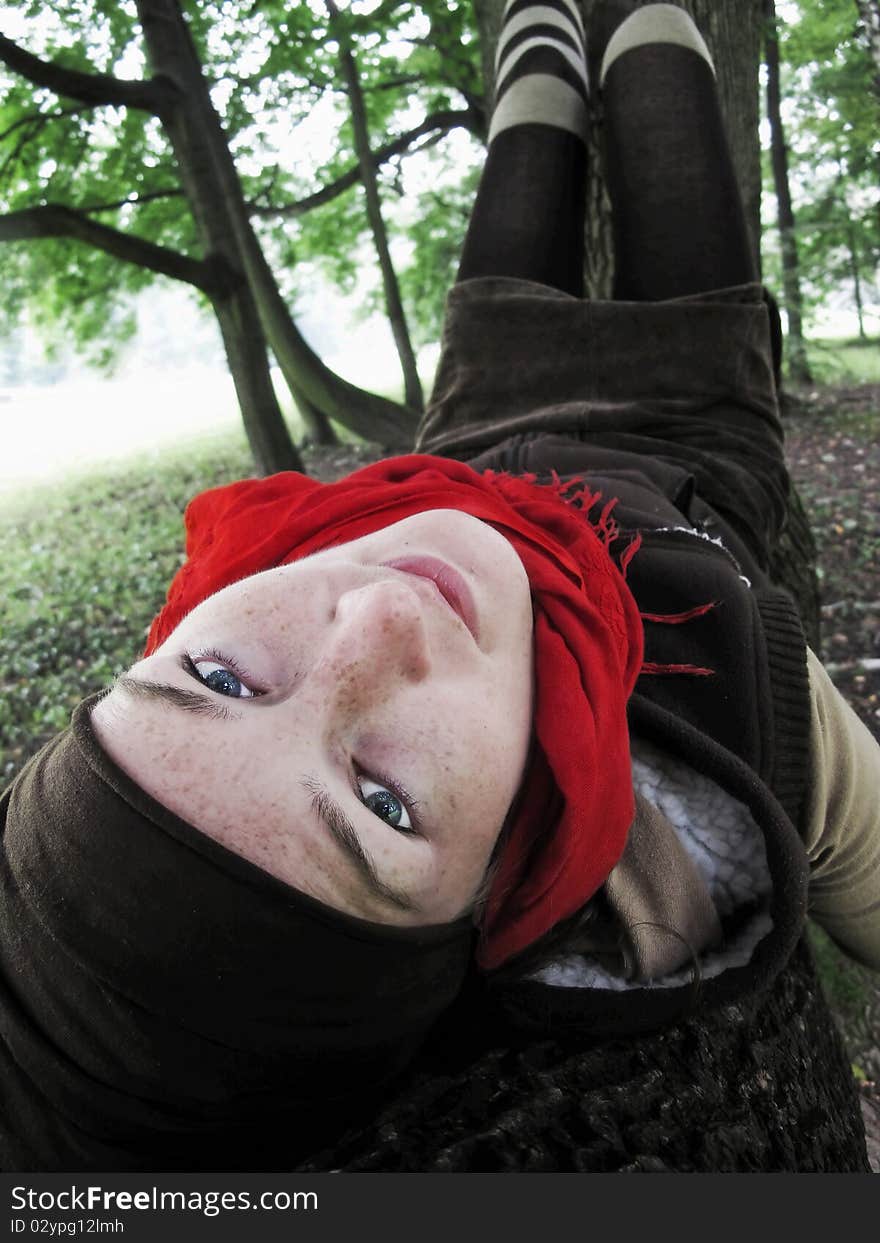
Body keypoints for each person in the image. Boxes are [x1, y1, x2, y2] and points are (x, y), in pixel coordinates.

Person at [1, 0, 878, 1173]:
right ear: (488, 899)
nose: (383, 612)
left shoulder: (302, 546)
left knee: (537, 102)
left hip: (478, 418)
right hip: (689, 422)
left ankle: (537, 37)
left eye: (217, 676)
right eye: (383, 804)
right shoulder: (724, 731)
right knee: (662, 66)